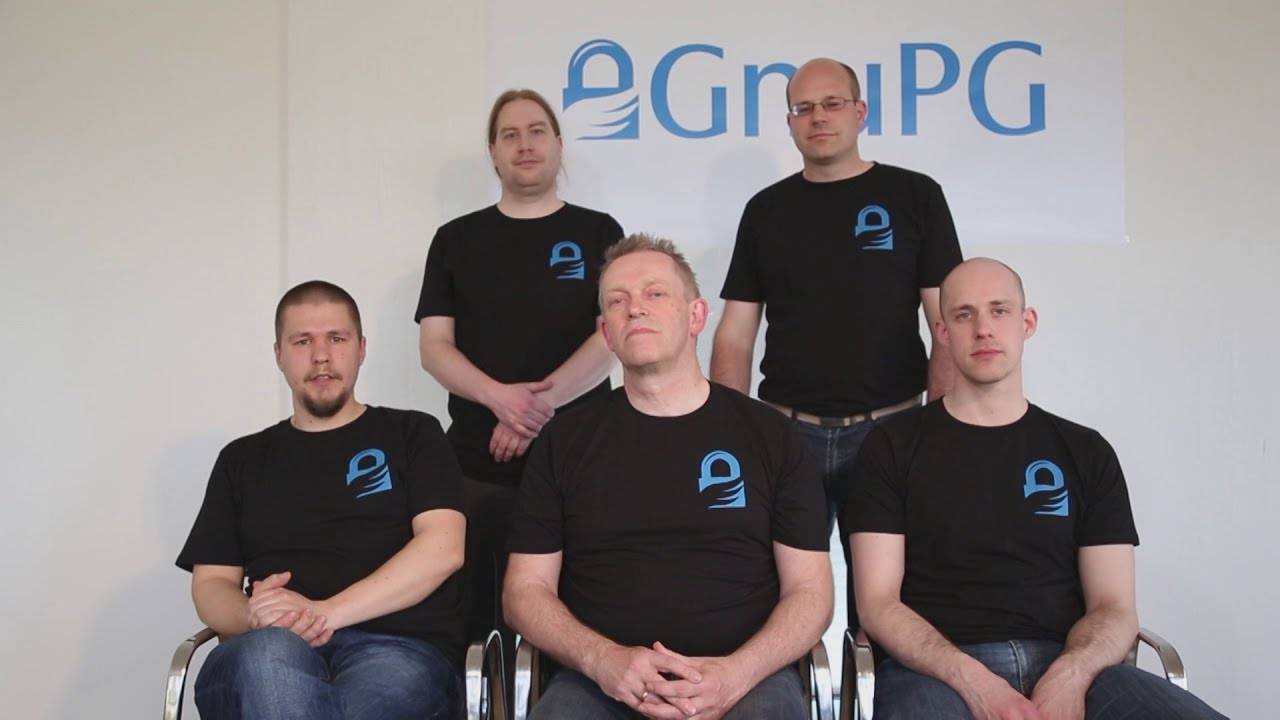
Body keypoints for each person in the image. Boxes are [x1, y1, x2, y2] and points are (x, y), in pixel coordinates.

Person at [846, 258, 1226, 719]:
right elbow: (878, 604)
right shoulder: (891, 448)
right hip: (938, 671)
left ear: (1027, 323)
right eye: (965, 315)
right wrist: (975, 682)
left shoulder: (1086, 452)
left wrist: (1071, 676)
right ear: (942, 332)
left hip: (1069, 663)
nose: (984, 329)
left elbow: (1114, 606)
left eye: (999, 310)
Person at [504, 234, 833, 719]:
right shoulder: (563, 442)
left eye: (655, 293)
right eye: (618, 301)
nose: (635, 308)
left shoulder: (771, 436)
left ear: (696, 316)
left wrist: (736, 674)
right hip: (600, 682)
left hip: (744, 678)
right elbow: (524, 592)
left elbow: (811, 592)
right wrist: (603, 660)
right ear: (607, 333)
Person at [711, 57, 963, 625]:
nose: (818, 117)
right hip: (785, 433)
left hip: (891, 430)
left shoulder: (914, 196)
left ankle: (876, 683)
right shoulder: (766, 210)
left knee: (889, 606)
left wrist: (939, 427)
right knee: (770, 600)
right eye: (803, 108)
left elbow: (946, 324)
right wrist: (727, 427)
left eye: (832, 104)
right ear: (789, 122)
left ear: (860, 112)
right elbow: (736, 334)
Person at [176, 281, 467, 720]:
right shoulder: (241, 460)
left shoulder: (413, 434)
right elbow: (211, 585)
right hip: (271, 645)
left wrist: (323, 613)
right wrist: (254, 615)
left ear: (361, 348)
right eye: (302, 341)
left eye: (336, 338)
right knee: (268, 667)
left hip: (397, 648)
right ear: (279, 354)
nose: (321, 356)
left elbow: (444, 548)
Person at [416, 89, 623, 648]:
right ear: (493, 152)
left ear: (558, 144)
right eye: (509, 135)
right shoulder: (456, 240)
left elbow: (612, 336)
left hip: (581, 459)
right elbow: (434, 347)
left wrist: (535, 408)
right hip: (478, 464)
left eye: (536, 132)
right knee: (477, 623)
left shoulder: (599, 232)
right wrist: (499, 399)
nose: (524, 145)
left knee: (581, 620)